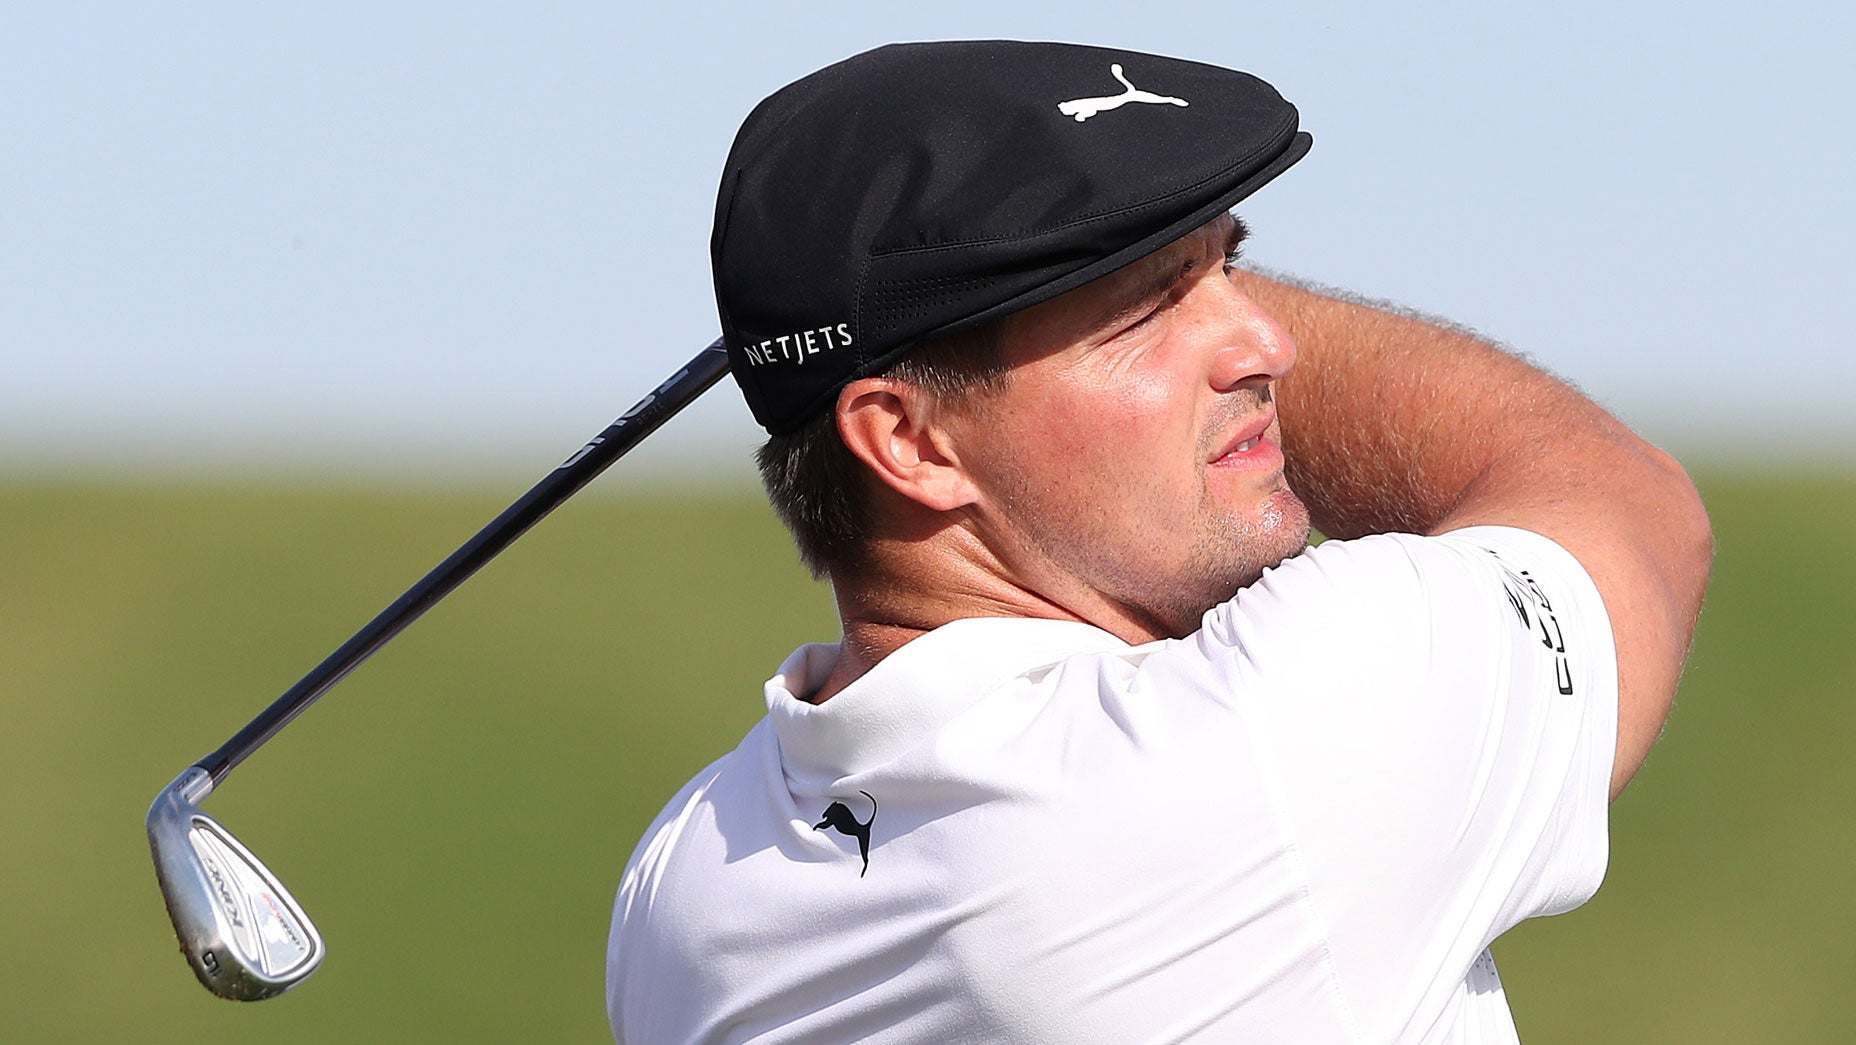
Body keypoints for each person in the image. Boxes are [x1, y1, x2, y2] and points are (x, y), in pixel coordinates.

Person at [606, 40, 1712, 1043]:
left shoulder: (685, 883)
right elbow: (1625, 499)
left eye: (1230, 266)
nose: (1268, 342)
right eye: (1143, 307)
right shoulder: (1272, 733)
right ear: (908, 441)